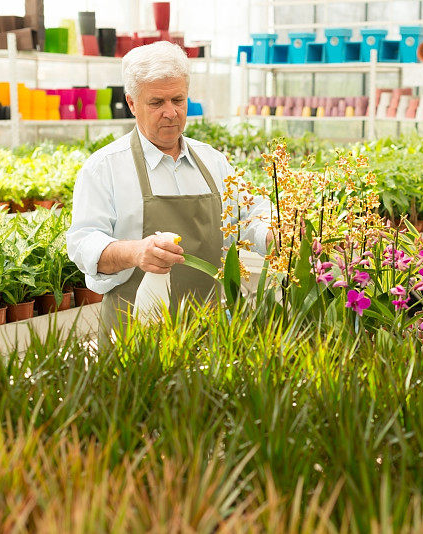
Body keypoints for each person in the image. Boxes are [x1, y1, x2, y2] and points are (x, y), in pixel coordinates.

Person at [66, 41, 272, 346]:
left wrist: (272, 233)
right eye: (156, 102)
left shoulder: (214, 162)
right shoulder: (104, 167)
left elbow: (251, 215)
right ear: (132, 104)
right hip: (134, 336)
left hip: (210, 331)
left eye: (178, 99)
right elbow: (85, 245)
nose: (170, 112)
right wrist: (136, 252)